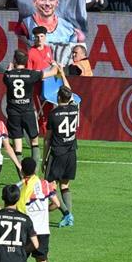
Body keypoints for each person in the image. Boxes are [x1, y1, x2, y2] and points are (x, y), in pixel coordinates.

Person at [17, 157, 63, 262]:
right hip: (44, 230)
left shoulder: (20, 187)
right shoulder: (45, 185)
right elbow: (56, 204)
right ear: (35, 169)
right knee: (42, 261)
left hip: (27, 231)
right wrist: (45, 211)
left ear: (22, 170)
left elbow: (17, 210)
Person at [44, 85, 78, 228]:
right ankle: (69, 217)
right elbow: (71, 94)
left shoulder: (53, 114)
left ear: (58, 97)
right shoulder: (75, 109)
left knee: (49, 186)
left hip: (57, 153)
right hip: (71, 152)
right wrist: (63, 75)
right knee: (64, 184)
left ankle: (66, 213)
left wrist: (44, 158)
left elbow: (48, 139)